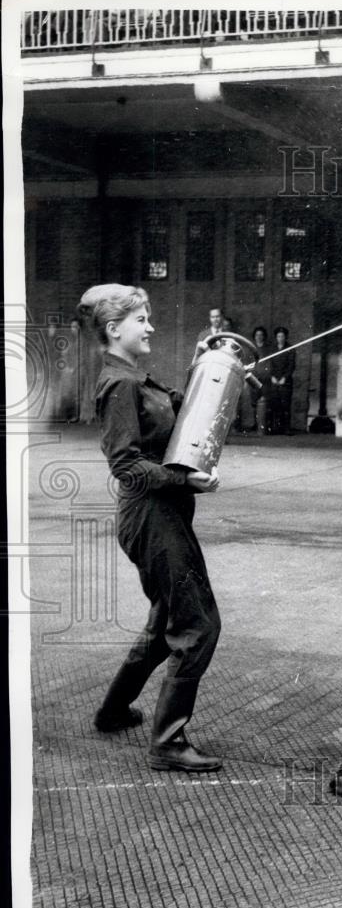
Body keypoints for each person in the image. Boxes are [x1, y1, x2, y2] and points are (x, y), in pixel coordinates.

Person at [81, 283, 223, 772]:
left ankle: (114, 711)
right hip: (151, 516)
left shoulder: (134, 379)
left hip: (161, 514)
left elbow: (171, 422)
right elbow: (124, 464)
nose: (150, 326)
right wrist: (187, 479)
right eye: (141, 319)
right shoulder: (119, 383)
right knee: (198, 626)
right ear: (113, 328)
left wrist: (201, 364)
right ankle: (168, 742)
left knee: (168, 623)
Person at [267, 327, 295, 434]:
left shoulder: (290, 349)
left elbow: (291, 366)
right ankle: (274, 428)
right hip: (274, 380)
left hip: (285, 381)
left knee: (285, 405)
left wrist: (285, 378)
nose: (280, 338)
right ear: (276, 337)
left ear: (286, 337)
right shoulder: (272, 349)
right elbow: (269, 365)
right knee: (274, 404)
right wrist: (272, 376)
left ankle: (286, 429)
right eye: (278, 336)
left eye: (282, 336)